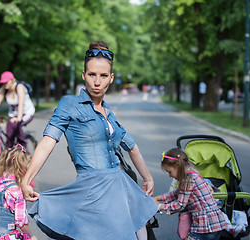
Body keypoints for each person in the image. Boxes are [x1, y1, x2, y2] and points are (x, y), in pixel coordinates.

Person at [20, 41, 158, 240]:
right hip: (92, 191)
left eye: (103, 76)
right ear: (84, 75)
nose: (97, 82)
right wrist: (26, 179)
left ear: (111, 78)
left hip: (120, 187)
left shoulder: (109, 114)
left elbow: (132, 147)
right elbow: (47, 142)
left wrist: (148, 177)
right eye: (92, 74)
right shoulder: (69, 105)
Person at [153, 148, 228, 240]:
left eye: (170, 172)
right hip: (213, 223)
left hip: (206, 226)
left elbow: (180, 205)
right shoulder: (192, 173)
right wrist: (156, 198)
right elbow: (177, 193)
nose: (170, 176)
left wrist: (160, 206)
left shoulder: (188, 180)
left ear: (177, 165)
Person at [0, 71, 35, 148]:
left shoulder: (19, 87)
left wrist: (18, 118)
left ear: (12, 80)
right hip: (12, 114)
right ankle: (9, 153)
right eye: (3, 83)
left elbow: (21, 103)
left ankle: (23, 146)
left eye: (6, 82)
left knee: (16, 125)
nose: (4, 84)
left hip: (26, 112)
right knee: (9, 137)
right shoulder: (3, 89)